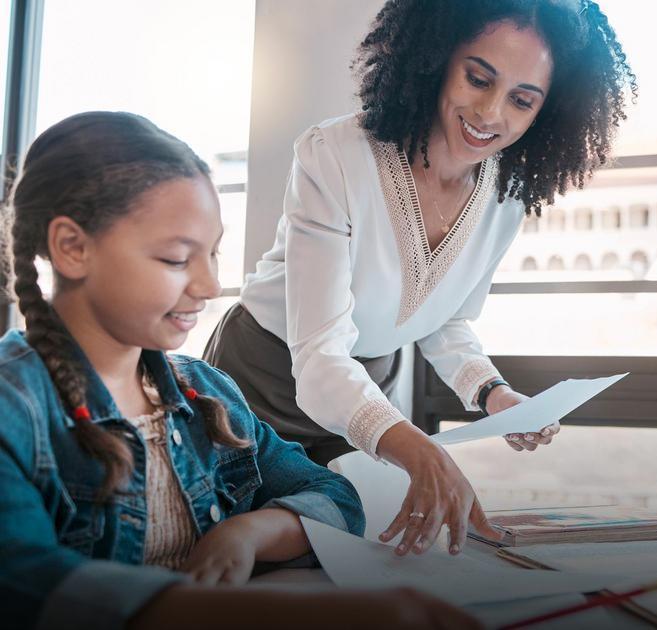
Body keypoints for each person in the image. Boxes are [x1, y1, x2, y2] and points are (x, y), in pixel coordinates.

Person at [0, 111, 480, 630]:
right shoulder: (15, 407)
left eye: (213, 254)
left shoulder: (207, 394)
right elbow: (28, 585)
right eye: (175, 259)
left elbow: (336, 497)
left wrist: (249, 532)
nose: (209, 287)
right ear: (72, 247)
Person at [205, 0, 634, 557]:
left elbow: (446, 317)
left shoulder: (506, 196)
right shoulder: (336, 156)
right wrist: (417, 449)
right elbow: (319, 359)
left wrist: (494, 394)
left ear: (546, 112)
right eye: (478, 78)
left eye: (522, 100)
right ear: (436, 59)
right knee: (235, 546)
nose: (489, 113)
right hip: (262, 379)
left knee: (334, 544)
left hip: (363, 398)